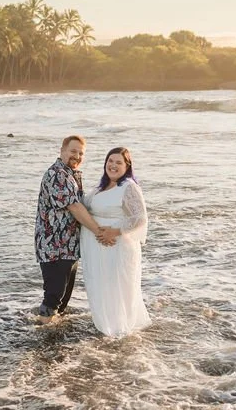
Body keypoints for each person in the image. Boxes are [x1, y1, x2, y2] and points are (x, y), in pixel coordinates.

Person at [35, 135, 117, 321]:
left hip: (69, 247)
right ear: (62, 151)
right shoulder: (57, 174)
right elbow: (75, 207)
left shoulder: (71, 174)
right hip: (54, 246)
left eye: (81, 153)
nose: (77, 156)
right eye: (73, 151)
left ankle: (52, 337)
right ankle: (39, 335)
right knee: (54, 297)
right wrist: (99, 232)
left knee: (62, 300)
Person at [80, 147, 151, 337]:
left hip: (117, 246)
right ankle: (106, 327)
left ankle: (119, 331)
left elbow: (139, 218)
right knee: (102, 284)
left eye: (118, 162)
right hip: (97, 247)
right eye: (110, 161)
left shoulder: (128, 186)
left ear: (127, 166)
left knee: (117, 286)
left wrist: (115, 232)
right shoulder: (101, 187)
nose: (113, 165)